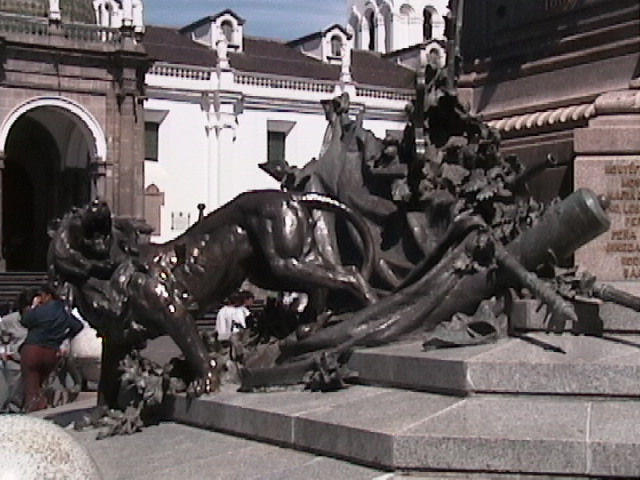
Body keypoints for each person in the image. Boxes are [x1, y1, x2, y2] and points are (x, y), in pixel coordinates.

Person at [19, 285, 84, 412]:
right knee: (42, 384)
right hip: (52, 351)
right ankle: (40, 406)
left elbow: (24, 321)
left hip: (33, 348)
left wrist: (33, 307)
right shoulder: (64, 313)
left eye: (41, 295)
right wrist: (65, 337)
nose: (40, 298)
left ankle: (33, 409)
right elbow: (78, 326)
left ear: (48, 296)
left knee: (31, 385)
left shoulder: (40, 310)